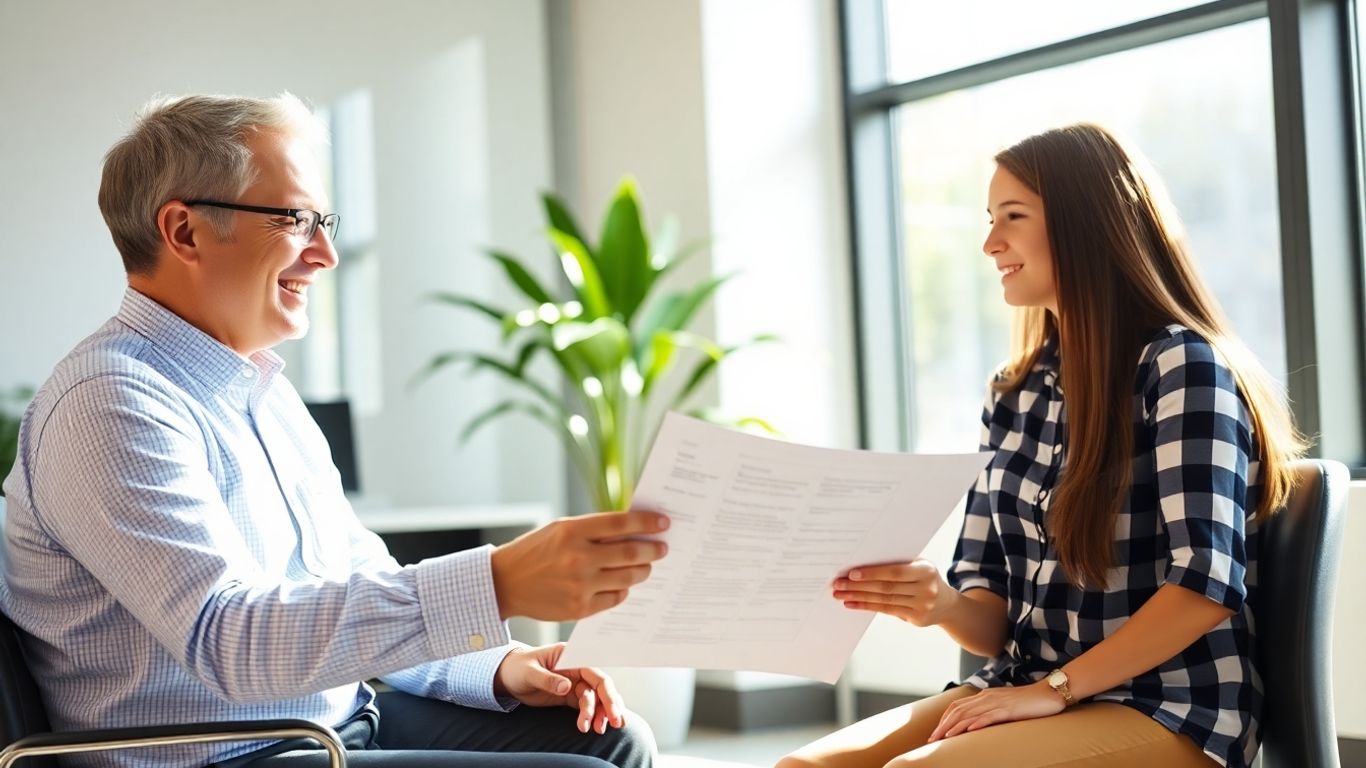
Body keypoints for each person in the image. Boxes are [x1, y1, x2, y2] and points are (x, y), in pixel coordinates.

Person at [0, 93, 670, 768]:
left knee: (614, 740)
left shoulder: (267, 393)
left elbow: (356, 580)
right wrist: (496, 582)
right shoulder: (110, 403)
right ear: (185, 232)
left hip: (332, 724)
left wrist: (499, 667)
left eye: (324, 221)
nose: (326, 253)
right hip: (235, 759)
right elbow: (231, 642)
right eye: (296, 219)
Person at [778, 123, 1305, 768]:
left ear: (1086, 224)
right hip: (1028, 688)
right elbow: (992, 614)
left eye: (1013, 217)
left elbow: (1204, 585)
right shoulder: (1013, 391)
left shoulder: (1181, 367)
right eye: (989, 218)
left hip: (1171, 708)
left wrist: (1056, 689)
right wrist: (937, 603)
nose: (989, 242)